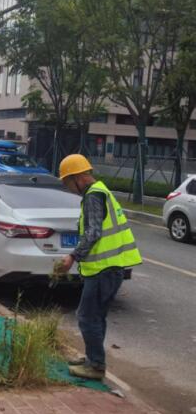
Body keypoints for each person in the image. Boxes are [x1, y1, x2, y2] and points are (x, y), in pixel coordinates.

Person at [57, 154, 142, 380]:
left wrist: (73, 256)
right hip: (111, 269)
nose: (70, 188)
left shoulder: (94, 196)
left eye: (68, 182)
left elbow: (94, 232)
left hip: (104, 270)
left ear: (79, 177)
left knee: (86, 316)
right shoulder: (102, 191)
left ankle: (95, 365)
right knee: (96, 317)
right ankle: (94, 359)